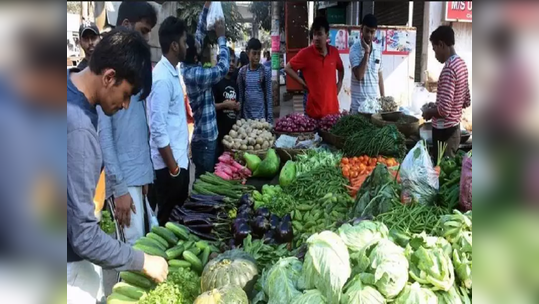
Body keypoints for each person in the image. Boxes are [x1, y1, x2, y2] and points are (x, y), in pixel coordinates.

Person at [67, 28, 168, 304]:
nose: (125, 105)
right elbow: (84, 237)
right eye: (125, 95)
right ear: (109, 76)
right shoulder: (79, 128)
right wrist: (143, 261)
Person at [96, 1, 157, 245]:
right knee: (131, 257)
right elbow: (105, 137)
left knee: (141, 246)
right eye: (143, 31)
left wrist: (145, 175)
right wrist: (119, 187)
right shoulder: (108, 73)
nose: (146, 39)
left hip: (137, 177)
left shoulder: (132, 69)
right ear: (125, 25)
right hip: (123, 182)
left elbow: (139, 128)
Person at [147, 16, 191, 226]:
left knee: (178, 221)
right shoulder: (162, 78)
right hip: (168, 168)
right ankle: (159, 260)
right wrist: (173, 168)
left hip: (178, 162)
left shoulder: (174, 72)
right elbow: (157, 128)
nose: (187, 46)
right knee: (168, 223)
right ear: (174, 46)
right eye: (184, 42)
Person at [182, 1, 229, 178]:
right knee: (203, 185)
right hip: (205, 142)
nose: (200, 44)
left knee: (206, 181)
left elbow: (200, 32)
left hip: (207, 139)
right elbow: (222, 68)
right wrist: (221, 37)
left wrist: (207, 7)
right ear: (194, 54)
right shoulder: (194, 74)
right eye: (197, 46)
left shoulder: (190, 63)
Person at [422, 25, 471, 158]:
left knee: (443, 173)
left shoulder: (449, 69)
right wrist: (437, 105)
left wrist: (429, 112)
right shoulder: (462, 65)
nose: (435, 54)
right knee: (449, 171)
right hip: (455, 130)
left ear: (442, 45)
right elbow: (466, 100)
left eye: (435, 49)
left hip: (445, 134)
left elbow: (444, 111)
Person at [285, 16, 344, 119]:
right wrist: (303, 83)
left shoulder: (334, 52)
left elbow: (341, 69)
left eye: (320, 34)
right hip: (313, 113)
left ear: (327, 35)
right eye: (314, 34)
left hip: (333, 111)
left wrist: (339, 84)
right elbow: (287, 68)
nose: (316, 38)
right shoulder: (305, 53)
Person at [349, 14, 385, 114]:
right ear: (361, 30)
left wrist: (383, 100)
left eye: (372, 32)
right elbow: (359, 75)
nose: (369, 35)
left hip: (374, 106)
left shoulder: (378, 49)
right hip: (358, 107)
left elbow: (380, 77)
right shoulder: (354, 49)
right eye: (367, 31)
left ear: (375, 32)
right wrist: (367, 52)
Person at [212, 47, 240, 158]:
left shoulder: (234, 82)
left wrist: (237, 107)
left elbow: (235, 104)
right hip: (220, 133)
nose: (231, 64)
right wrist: (225, 105)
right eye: (228, 61)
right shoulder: (216, 82)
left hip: (233, 133)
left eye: (233, 61)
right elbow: (211, 106)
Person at [237, 38, 273, 123]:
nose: (257, 57)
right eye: (254, 53)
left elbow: (268, 96)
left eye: (258, 54)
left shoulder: (265, 71)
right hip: (246, 119)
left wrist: (270, 120)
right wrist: (238, 117)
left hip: (262, 119)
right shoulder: (242, 72)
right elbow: (240, 96)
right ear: (248, 53)